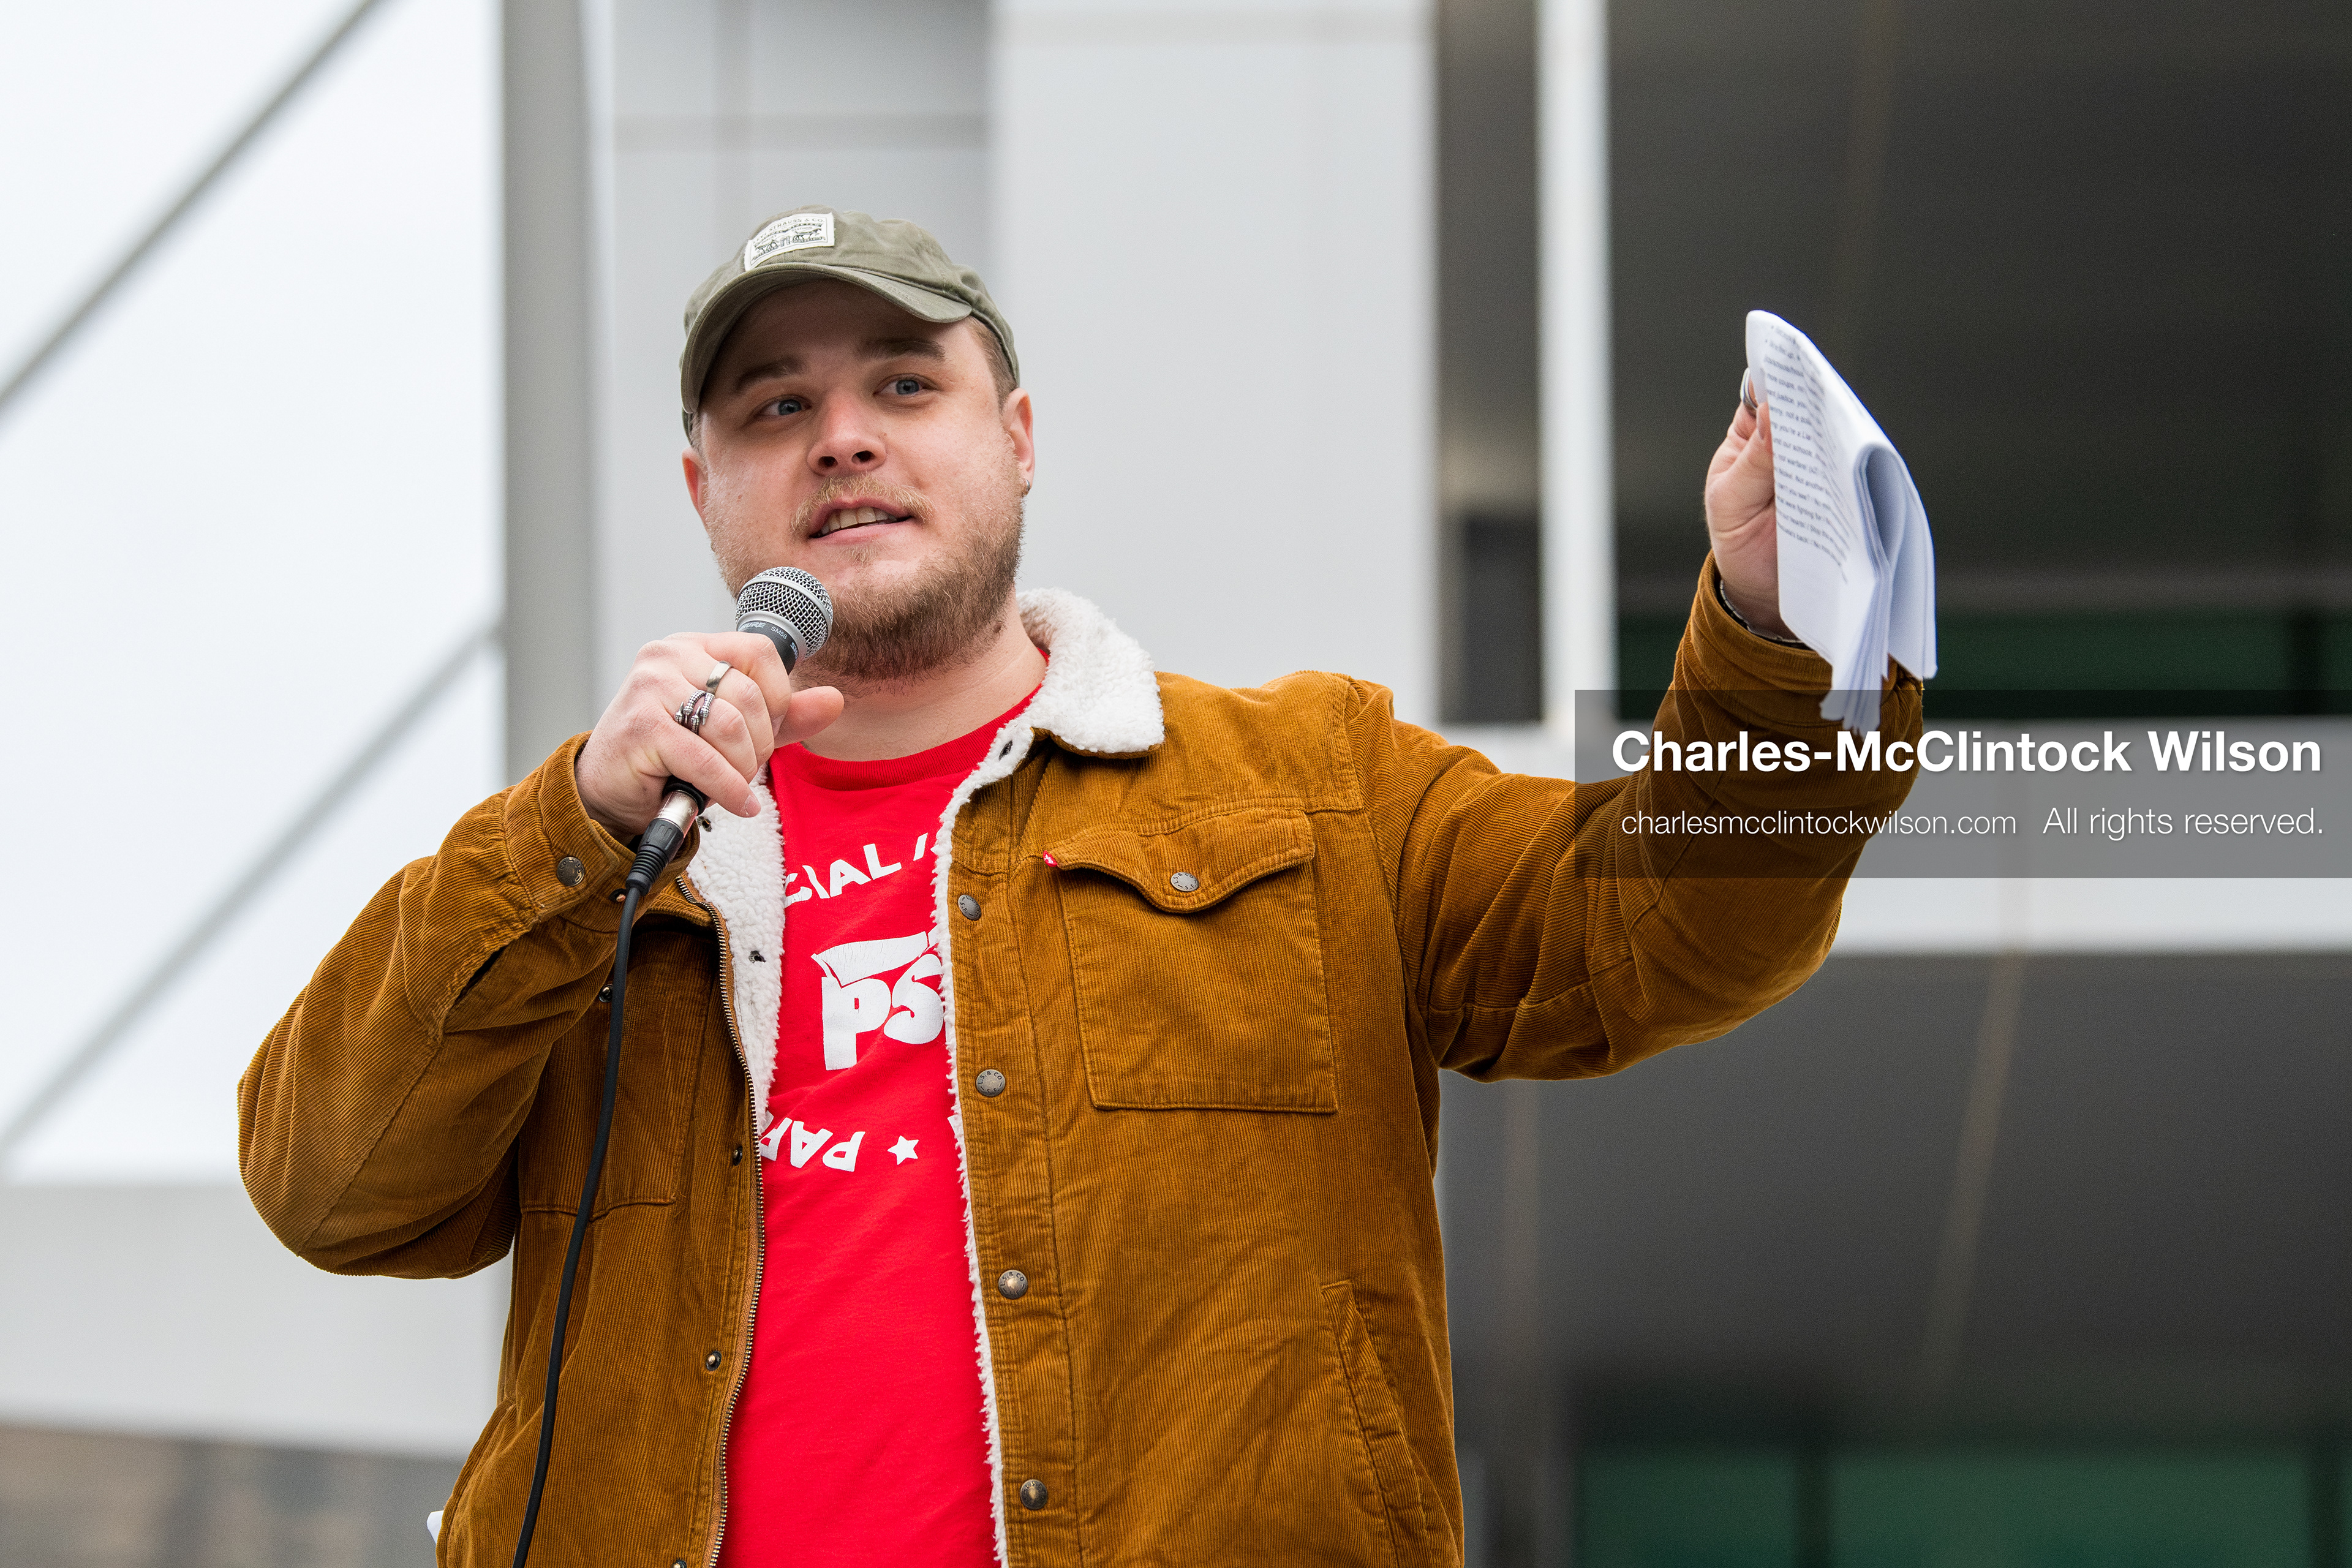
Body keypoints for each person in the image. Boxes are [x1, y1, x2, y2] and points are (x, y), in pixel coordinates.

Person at [239, 206, 1918, 1567]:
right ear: (706, 491)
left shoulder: (1309, 791)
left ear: (1019, 439)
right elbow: (331, 1186)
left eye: (906, 386)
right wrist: (569, 839)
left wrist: (1771, 639)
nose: (840, 440)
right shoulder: (602, 871)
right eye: (774, 406)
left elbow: (1667, 935)